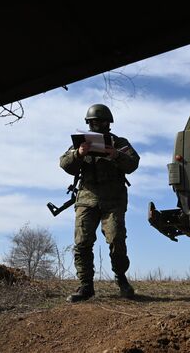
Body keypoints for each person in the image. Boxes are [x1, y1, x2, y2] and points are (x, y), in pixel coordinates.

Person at [60, 104, 140, 302]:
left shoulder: (119, 142)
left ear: (109, 123)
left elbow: (133, 163)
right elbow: (64, 164)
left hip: (113, 199)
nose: (98, 125)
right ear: (89, 123)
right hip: (87, 199)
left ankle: (121, 279)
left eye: (102, 122)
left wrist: (116, 155)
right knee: (82, 242)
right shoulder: (80, 142)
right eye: (94, 122)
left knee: (116, 240)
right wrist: (79, 153)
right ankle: (86, 286)